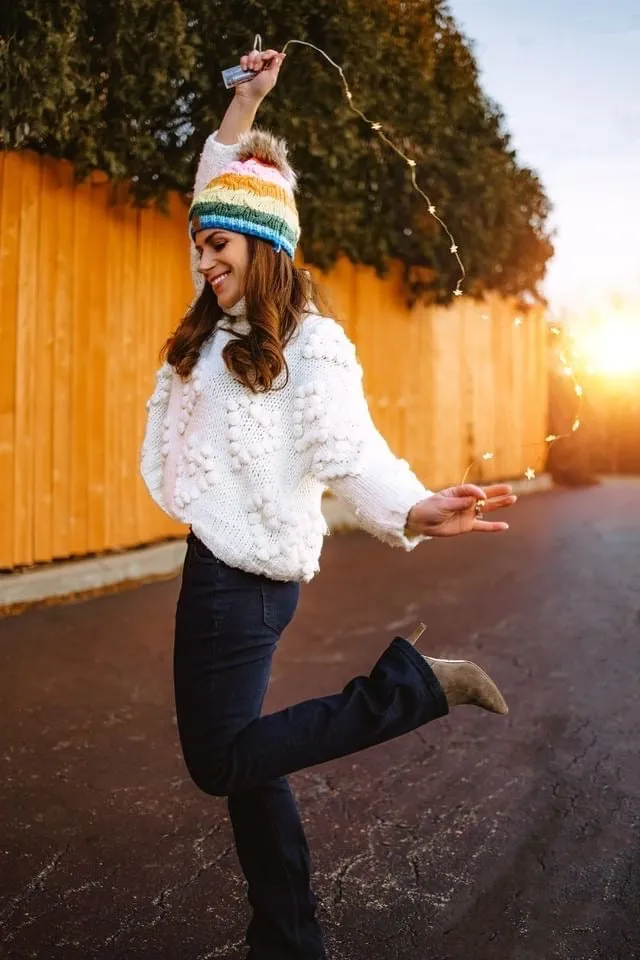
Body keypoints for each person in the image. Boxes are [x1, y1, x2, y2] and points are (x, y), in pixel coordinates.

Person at [140, 47, 516, 960]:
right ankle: (288, 936)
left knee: (220, 760)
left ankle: (415, 688)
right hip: (220, 562)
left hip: (246, 579)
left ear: (260, 246)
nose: (203, 259)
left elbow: (348, 448)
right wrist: (246, 105)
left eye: (217, 246)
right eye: (199, 245)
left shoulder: (312, 346)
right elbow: (214, 182)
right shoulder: (231, 317)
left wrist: (418, 505)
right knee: (253, 759)